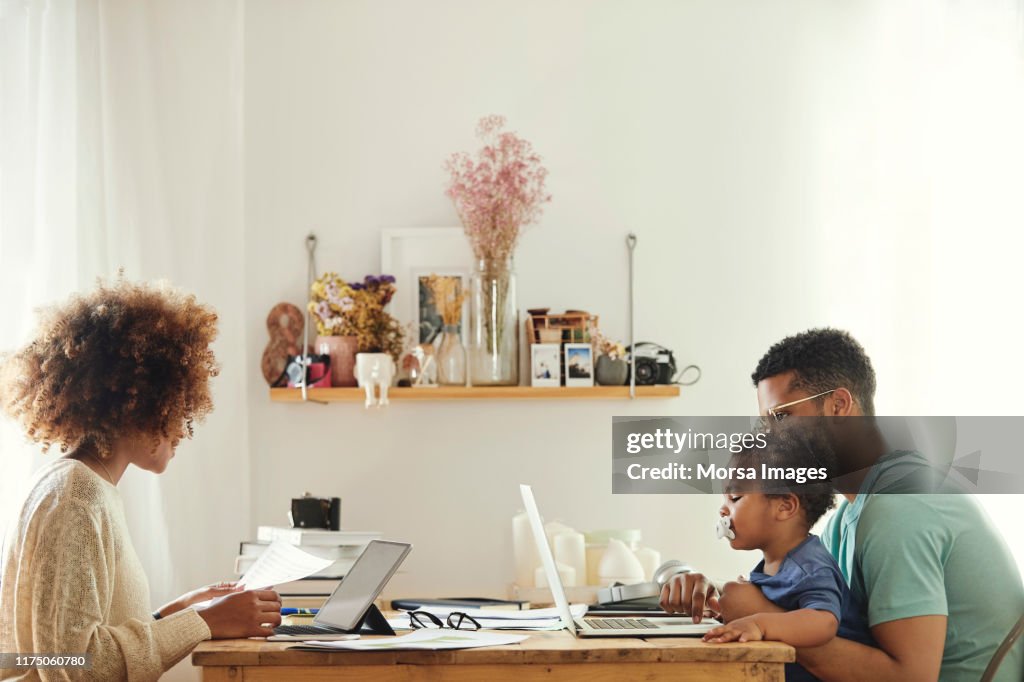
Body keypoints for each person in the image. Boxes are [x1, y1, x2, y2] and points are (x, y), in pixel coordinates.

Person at [661, 328, 1024, 681]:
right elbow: (824, 618)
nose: (770, 437)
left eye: (781, 417)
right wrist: (718, 596)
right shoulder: (848, 516)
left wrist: (762, 616)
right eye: (764, 423)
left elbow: (909, 677)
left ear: (837, 405)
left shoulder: (900, 507)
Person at [0, 280, 282, 681]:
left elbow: (71, 641)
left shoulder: (81, 485)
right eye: (177, 404)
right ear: (137, 402)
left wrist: (175, 612)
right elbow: (73, 666)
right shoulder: (76, 497)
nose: (184, 426)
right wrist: (202, 623)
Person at [702, 432, 873, 682]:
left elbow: (823, 622)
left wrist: (759, 624)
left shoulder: (809, 565)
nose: (723, 509)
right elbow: (783, 611)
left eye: (735, 497)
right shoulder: (775, 563)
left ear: (784, 506)